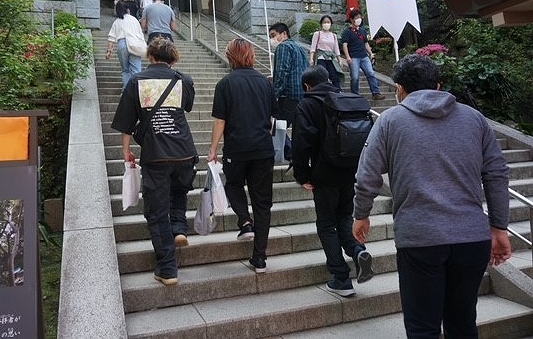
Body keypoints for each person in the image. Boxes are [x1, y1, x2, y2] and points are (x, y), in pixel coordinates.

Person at [352, 54, 512, 337]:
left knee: (422, 327)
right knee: (462, 323)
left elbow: (367, 176)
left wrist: (361, 214)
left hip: (420, 238)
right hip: (471, 237)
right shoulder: (474, 119)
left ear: (399, 88)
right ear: (439, 86)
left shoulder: (390, 121)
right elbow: (497, 173)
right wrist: (499, 226)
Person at [111, 38, 198, 286]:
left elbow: (126, 122)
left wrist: (126, 150)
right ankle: (179, 228)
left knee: (157, 212)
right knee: (180, 191)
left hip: (156, 154)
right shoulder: (184, 80)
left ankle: (167, 268)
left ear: (150, 56)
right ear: (173, 58)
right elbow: (187, 107)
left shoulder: (136, 81)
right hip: (184, 151)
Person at [291, 65, 373, 297]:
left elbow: (301, 144)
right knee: (345, 217)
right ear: (328, 79)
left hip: (324, 175)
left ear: (307, 85)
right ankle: (357, 251)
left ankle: (340, 278)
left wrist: (302, 176)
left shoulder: (307, 104)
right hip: (351, 171)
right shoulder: (347, 100)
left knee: (326, 224)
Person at [207, 38, 278, 273]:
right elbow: (272, 117)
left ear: (230, 56)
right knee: (263, 203)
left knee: (234, 185)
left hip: (236, 149)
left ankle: (245, 221)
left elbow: (220, 120)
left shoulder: (225, 84)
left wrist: (213, 149)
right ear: (251, 55)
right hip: (263, 149)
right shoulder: (265, 83)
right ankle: (260, 258)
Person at [341, 8, 385, 100]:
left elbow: (366, 43)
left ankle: (376, 93)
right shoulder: (347, 32)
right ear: (352, 19)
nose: (359, 19)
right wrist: (348, 57)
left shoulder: (363, 30)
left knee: (371, 73)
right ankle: (355, 95)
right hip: (354, 57)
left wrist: (371, 53)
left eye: (360, 17)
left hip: (364, 57)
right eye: (357, 17)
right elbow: (345, 45)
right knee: (355, 77)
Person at [269, 22, 308, 126]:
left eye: (273, 35)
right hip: (302, 95)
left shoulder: (283, 46)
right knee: (298, 130)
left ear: (284, 34)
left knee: (278, 130)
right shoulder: (299, 48)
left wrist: (275, 94)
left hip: (288, 96)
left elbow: (282, 71)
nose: (271, 39)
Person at [106, 2, 144, 89]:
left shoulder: (117, 21)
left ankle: (126, 91)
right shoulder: (134, 20)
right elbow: (140, 34)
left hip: (122, 44)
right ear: (128, 9)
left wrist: (109, 51)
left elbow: (111, 38)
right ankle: (136, 91)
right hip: (135, 44)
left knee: (125, 70)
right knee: (136, 71)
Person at [309, 15, 343, 90]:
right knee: (322, 76)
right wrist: (311, 59)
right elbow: (313, 47)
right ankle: (323, 92)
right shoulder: (317, 34)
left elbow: (336, 48)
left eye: (328, 22)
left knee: (334, 76)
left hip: (331, 58)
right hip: (321, 57)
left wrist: (339, 60)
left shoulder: (333, 35)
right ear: (321, 23)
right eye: (325, 22)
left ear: (331, 24)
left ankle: (338, 92)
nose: (326, 24)